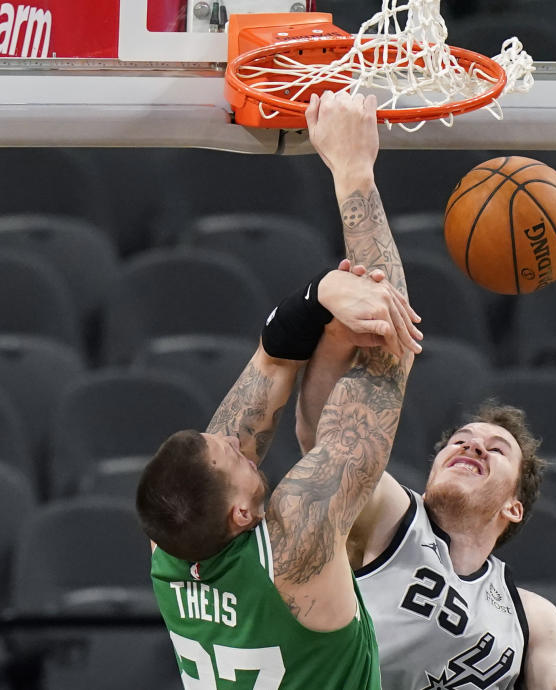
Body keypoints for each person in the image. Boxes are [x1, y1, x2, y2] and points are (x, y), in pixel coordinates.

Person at [136, 91, 419, 689]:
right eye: (232, 458)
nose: (237, 443)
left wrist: (317, 298)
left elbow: (271, 360)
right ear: (241, 514)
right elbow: (391, 348)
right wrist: (353, 173)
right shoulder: (299, 542)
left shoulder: (172, 552)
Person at [293, 151, 556, 690]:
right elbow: (325, 446)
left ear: (513, 506)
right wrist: (336, 342)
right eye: (461, 441)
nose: (472, 447)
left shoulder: (533, 618)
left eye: (496, 449)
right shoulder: (391, 519)